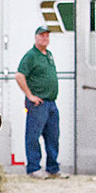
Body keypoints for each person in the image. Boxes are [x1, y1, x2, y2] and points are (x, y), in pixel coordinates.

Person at [15, 26, 68, 179]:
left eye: (47, 36)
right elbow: (19, 75)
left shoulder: (48, 54)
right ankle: (34, 168)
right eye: (42, 35)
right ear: (36, 37)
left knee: (53, 136)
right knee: (33, 136)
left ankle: (53, 168)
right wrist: (29, 95)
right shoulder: (31, 55)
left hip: (51, 103)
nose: (45, 38)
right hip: (38, 104)